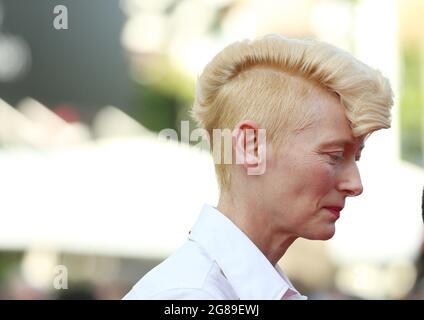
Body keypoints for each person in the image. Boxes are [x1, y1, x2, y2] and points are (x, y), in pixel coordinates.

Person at [123, 35, 393, 300]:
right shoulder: (192, 295)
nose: (355, 185)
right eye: (334, 156)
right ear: (251, 147)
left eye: (355, 158)